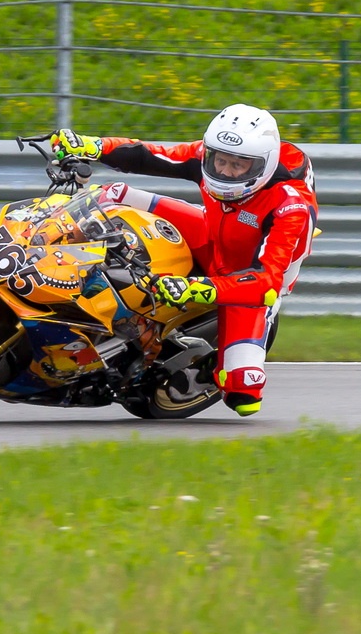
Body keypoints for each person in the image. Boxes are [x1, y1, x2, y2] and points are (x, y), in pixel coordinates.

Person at [51, 104, 317, 417]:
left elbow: (266, 281)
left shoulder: (290, 206)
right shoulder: (208, 157)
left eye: (238, 165)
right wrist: (92, 146)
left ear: (264, 165)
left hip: (246, 282)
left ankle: (206, 367)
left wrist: (197, 289)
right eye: (221, 161)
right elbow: (149, 155)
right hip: (210, 233)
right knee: (113, 194)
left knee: (244, 395)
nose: (225, 172)